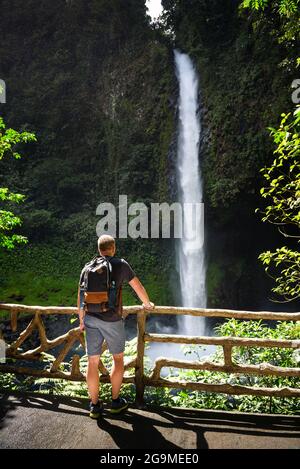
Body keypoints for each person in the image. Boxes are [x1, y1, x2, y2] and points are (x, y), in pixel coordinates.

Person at [77, 234, 154, 419]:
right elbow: (137, 286)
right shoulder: (121, 264)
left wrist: (81, 320)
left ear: (99, 249)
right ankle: (115, 402)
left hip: (90, 319)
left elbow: (80, 297)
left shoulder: (88, 267)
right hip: (112, 319)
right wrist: (147, 304)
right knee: (118, 359)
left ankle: (94, 406)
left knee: (92, 362)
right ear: (114, 248)